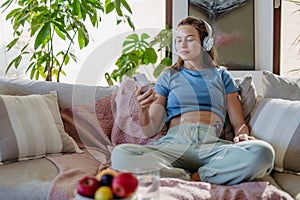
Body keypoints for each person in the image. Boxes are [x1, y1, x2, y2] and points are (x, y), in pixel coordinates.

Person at [111, 16, 275, 185]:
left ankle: (200, 176)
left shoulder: (222, 76)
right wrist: (143, 108)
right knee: (120, 155)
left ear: (206, 44)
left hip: (211, 145)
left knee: (263, 152)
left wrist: (243, 137)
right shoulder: (168, 75)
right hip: (173, 144)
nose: (182, 45)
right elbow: (150, 129)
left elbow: (238, 123)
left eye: (189, 39)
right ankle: (185, 177)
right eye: (178, 40)